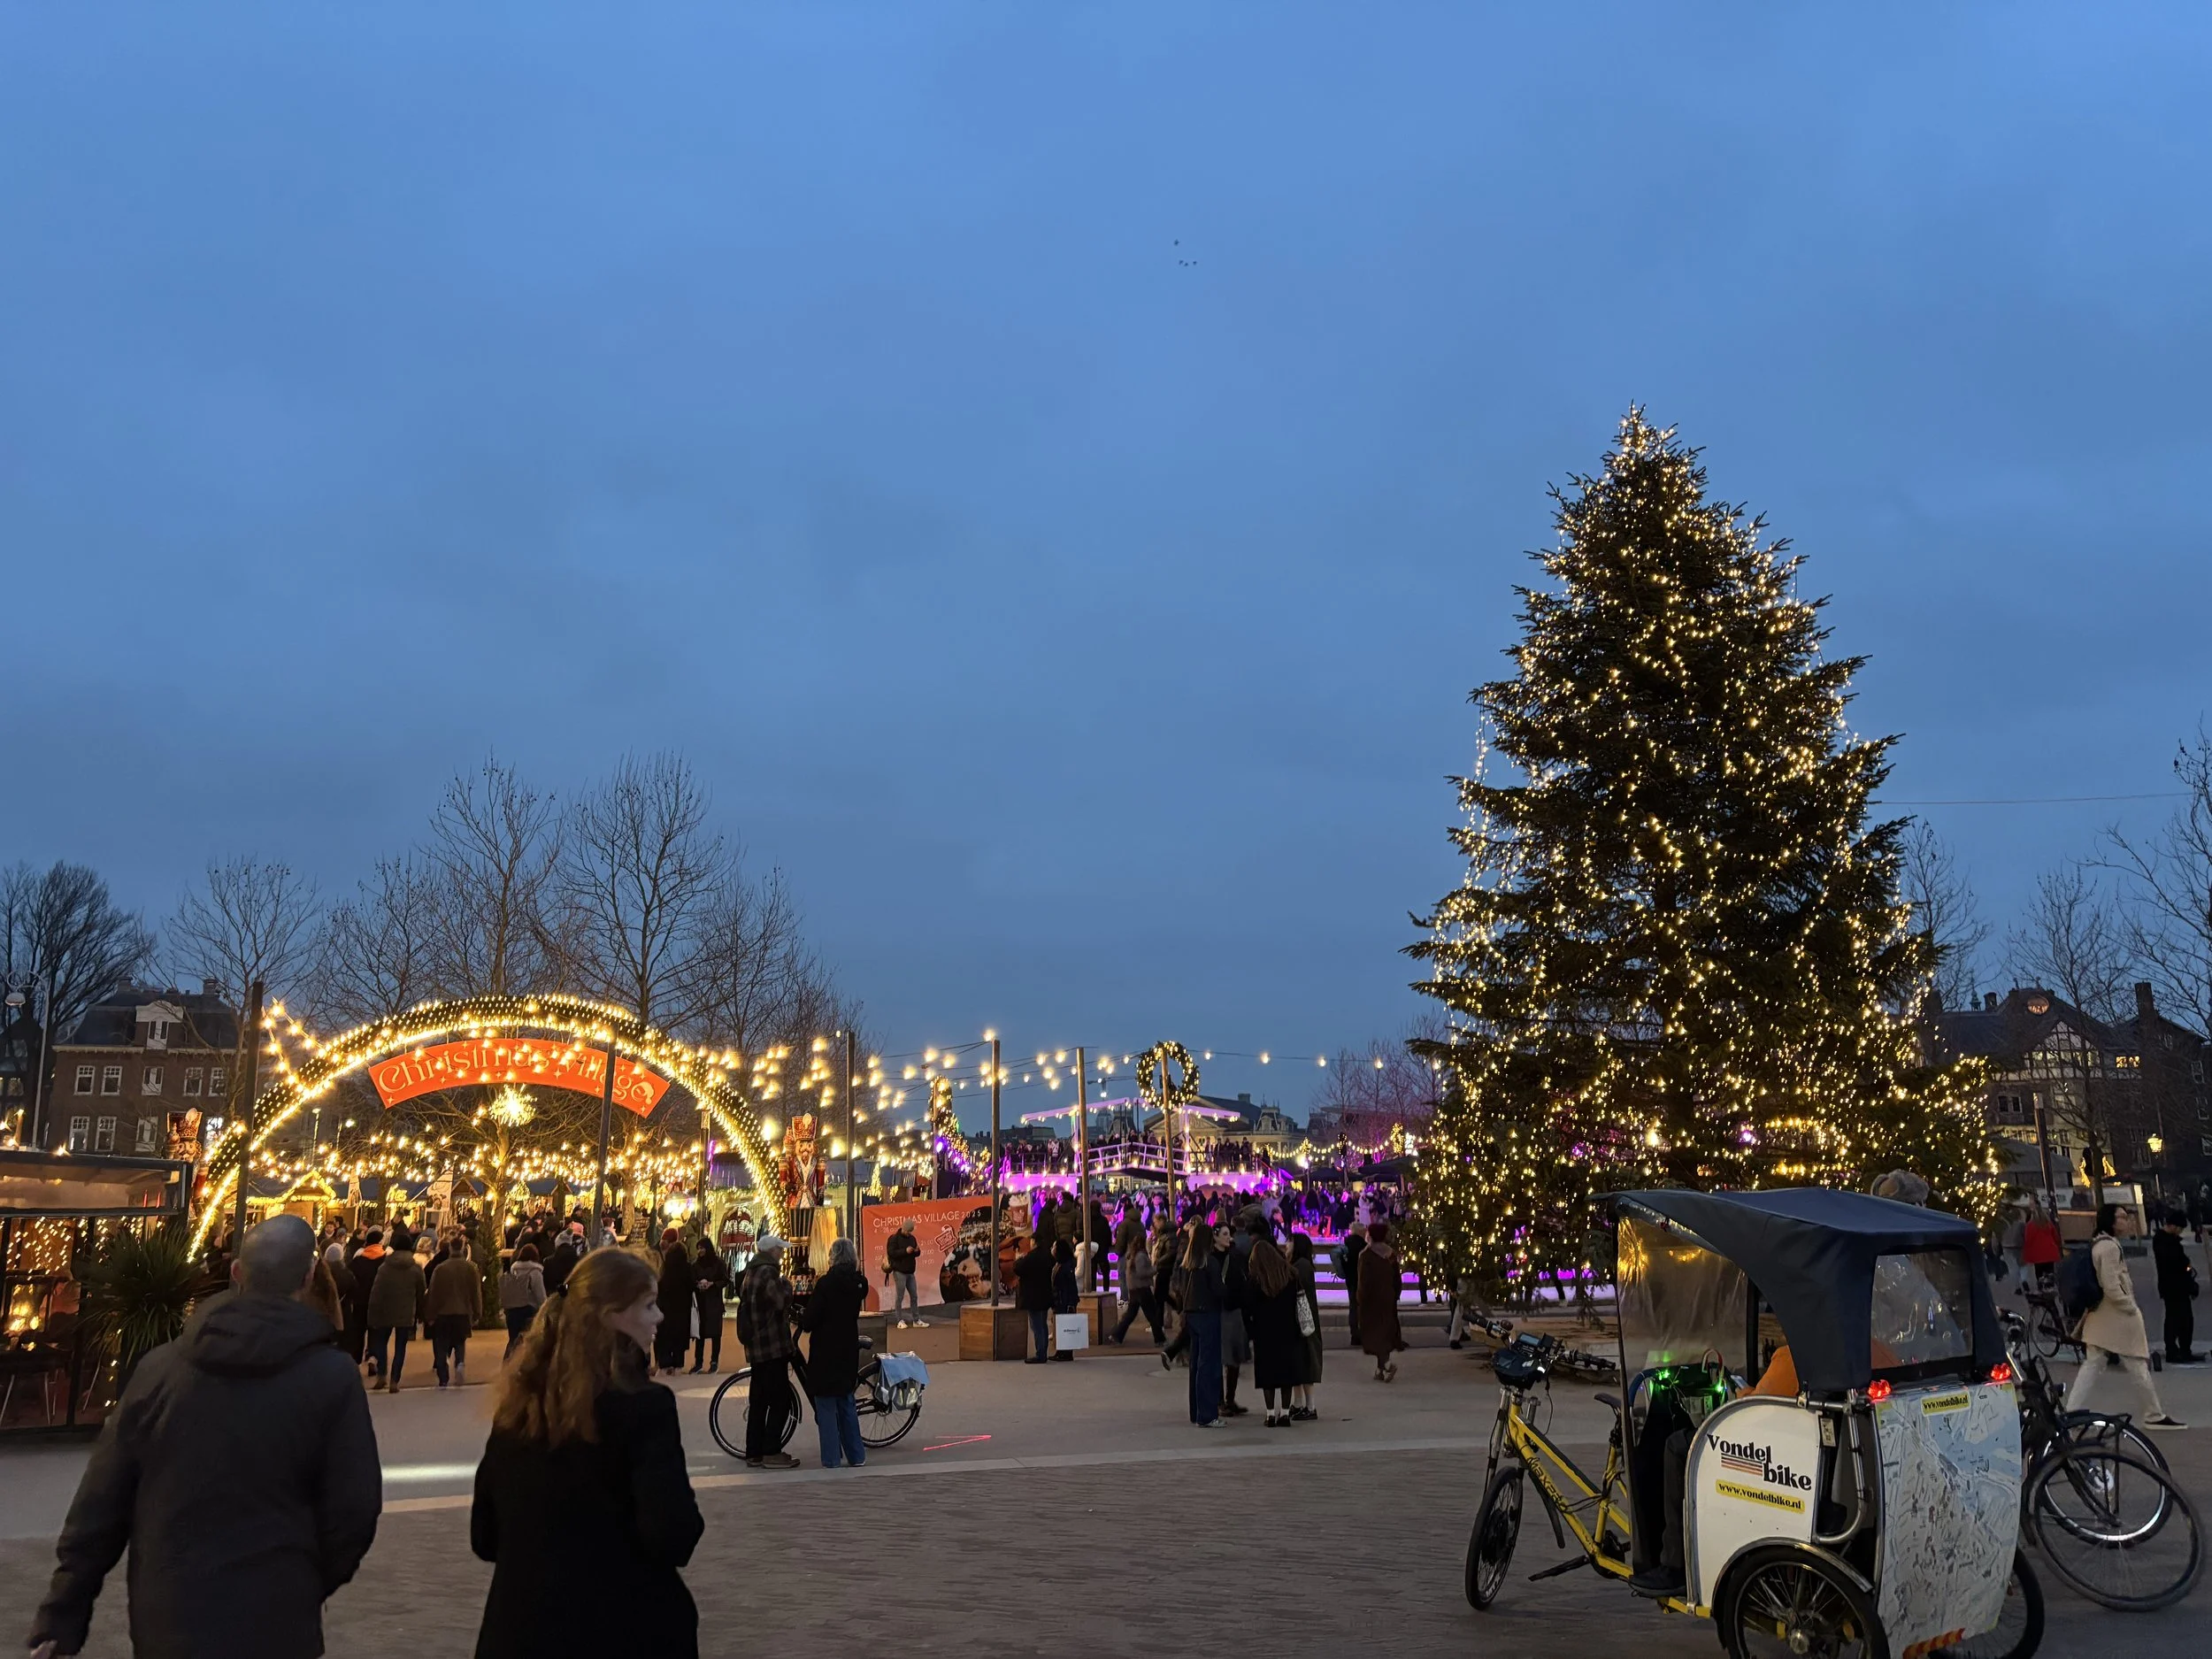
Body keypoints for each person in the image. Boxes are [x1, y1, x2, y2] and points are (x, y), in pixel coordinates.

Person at [27, 1215, 380, 1659]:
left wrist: (64, 1611)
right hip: (276, 1618)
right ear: (309, 1276)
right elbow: (354, 1509)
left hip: (169, 1611)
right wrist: (304, 1578)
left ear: (236, 1271)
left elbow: (101, 1501)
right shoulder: (331, 1378)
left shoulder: (160, 1369)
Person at [469, 1245, 704, 1659]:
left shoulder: (519, 1407)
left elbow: (485, 1536)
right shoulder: (643, 1407)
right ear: (610, 1314)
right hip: (623, 1628)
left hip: (521, 1628)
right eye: (649, 1305)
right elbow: (673, 1534)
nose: (660, 1317)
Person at [2065, 1204, 2185, 1428]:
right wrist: (2129, 1306)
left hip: (2101, 1315)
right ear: (2111, 1221)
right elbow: (2111, 1283)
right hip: (2117, 1315)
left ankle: (2071, 1412)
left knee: (2094, 1364)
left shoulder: (2099, 1243)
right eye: (2122, 1217)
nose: (2127, 1220)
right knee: (2136, 1363)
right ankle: (2154, 1415)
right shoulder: (2109, 1247)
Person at [735, 1234, 802, 1469]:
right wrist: (787, 1285)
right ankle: (771, 1451)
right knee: (780, 1400)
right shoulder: (768, 1273)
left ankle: (753, 1452)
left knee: (759, 1401)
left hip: (756, 1347)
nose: (782, 1254)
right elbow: (781, 1301)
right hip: (771, 1346)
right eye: (780, 1250)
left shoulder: (751, 1272)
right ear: (772, 1251)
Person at [803, 1237, 868, 1469]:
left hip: (825, 1350)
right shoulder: (860, 1284)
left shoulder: (825, 1284)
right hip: (847, 1347)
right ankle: (857, 1455)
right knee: (846, 1400)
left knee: (826, 1404)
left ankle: (831, 1458)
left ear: (833, 1256)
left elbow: (810, 1320)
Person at [1243, 1216, 1301, 1426]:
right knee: (1286, 1372)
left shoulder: (1256, 1281)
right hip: (1287, 1329)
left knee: (1267, 1373)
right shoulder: (1289, 1276)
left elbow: (1247, 1307)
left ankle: (1270, 1414)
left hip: (1263, 1331)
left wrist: (1250, 1330)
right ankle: (1285, 1413)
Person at [365, 1227, 428, 1392]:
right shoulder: (415, 1268)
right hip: (406, 1311)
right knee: (401, 1346)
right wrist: (422, 1312)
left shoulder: (385, 1267)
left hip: (385, 1309)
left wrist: (372, 1312)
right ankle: (394, 1380)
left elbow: (376, 1291)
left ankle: (382, 1375)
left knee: (381, 1342)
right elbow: (422, 1292)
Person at [1177, 1219, 1225, 1428]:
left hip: (1191, 1314)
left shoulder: (1188, 1263)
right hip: (1207, 1315)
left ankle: (1196, 1411)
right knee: (1208, 1365)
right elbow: (1218, 1290)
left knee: (1196, 1364)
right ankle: (1207, 1414)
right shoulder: (1209, 1262)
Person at [426, 1234, 483, 1389]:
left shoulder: (441, 1269)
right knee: (459, 1341)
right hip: (463, 1311)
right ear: (463, 1249)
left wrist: (430, 1314)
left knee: (441, 1342)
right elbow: (475, 1293)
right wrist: (477, 1312)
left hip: (443, 1312)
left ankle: (443, 1373)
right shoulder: (471, 1268)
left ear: (450, 1248)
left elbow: (433, 1293)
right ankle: (460, 1363)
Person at [2150, 1210, 2202, 1365]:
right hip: (2173, 1287)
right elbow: (2175, 1265)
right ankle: (2175, 1351)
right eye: (2179, 1228)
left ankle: (2183, 1350)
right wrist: (2186, 1271)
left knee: (2182, 1319)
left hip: (2176, 1286)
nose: (2180, 1231)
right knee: (2176, 1320)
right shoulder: (2165, 1242)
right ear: (2172, 1225)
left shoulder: (2168, 1241)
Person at [1357, 1219, 1405, 1381]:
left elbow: (1364, 1281)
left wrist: (1360, 1298)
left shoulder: (1366, 1255)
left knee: (1374, 1333)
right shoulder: (1390, 1254)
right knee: (1385, 1332)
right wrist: (1395, 1293)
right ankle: (1380, 1368)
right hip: (1388, 1297)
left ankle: (1387, 1365)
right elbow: (1397, 1278)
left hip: (1371, 1300)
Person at [1109, 1215, 1164, 1345]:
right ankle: (1160, 1339)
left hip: (1134, 1288)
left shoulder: (1131, 1255)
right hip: (1142, 1288)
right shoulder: (1140, 1256)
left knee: (1130, 1315)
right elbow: (1142, 1272)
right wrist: (1155, 1269)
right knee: (1152, 1314)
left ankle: (1117, 1335)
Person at [1288, 1232, 1324, 1421]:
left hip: (1303, 1320)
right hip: (1303, 1319)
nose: (1287, 1245)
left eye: (1290, 1242)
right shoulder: (1301, 1265)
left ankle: (1309, 1405)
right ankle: (1299, 1403)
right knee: (1298, 1363)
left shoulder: (1300, 1266)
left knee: (1305, 1362)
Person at [345, 1228, 386, 1373]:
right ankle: (372, 1358)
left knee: (358, 1331)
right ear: (380, 1242)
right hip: (378, 1301)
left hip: (359, 1301)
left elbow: (349, 1278)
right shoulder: (385, 1259)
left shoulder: (359, 1259)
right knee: (375, 1331)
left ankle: (356, 1361)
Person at [655, 1232, 693, 1375]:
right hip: (683, 1309)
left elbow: (660, 1286)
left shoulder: (665, 1269)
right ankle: (678, 1364)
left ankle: (665, 1364)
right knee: (679, 1337)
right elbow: (691, 1286)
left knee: (665, 1336)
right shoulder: (687, 1268)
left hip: (666, 1308)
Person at [690, 1236, 730, 1373]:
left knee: (715, 1334)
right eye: (698, 1248)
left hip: (714, 1303)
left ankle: (714, 1362)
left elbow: (725, 1280)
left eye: (702, 1248)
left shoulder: (719, 1263)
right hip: (701, 1304)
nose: (700, 1251)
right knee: (700, 1334)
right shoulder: (696, 1265)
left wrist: (712, 1284)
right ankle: (698, 1362)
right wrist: (698, 1284)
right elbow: (691, 1280)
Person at [1016, 1231, 1056, 1363]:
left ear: (1033, 1242)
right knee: (1042, 1325)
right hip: (1045, 1295)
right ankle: (1043, 1352)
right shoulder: (1048, 1256)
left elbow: (1018, 1269)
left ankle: (1040, 1354)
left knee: (1036, 1326)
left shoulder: (1031, 1257)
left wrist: (1018, 1259)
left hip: (1032, 1296)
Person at [500, 1243, 548, 1357]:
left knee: (513, 1340)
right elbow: (540, 1295)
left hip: (511, 1310)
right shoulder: (535, 1273)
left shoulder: (512, 1271)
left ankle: (508, 1366)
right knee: (528, 1341)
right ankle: (523, 1366)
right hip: (528, 1310)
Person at [886, 1217, 924, 1327]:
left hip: (910, 1271)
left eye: (910, 1231)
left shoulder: (912, 1238)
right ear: (903, 1228)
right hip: (899, 1271)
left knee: (914, 1296)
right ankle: (899, 1320)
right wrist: (905, 1251)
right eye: (907, 1231)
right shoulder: (894, 1238)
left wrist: (917, 1251)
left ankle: (916, 1320)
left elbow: (916, 1253)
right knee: (900, 1296)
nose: (909, 1233)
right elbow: (891, 1253)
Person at [1337, 1224, 1368, 1351]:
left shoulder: (1346, 1245)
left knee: (1353, 1305)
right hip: (1362, 1279)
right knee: (1362, 1306)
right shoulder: (1363, 1246)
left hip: (1350, 1279)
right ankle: (1363, 1333)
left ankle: (1354, 1333)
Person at [2020, 1203, 2062, 1293]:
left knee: (2039, 1272)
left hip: (2037, 1254)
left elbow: (2028, 1240)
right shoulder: (2048, 1224)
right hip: (2050, 1252)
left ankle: (2041, 1288)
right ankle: (2050, 1287)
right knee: (2049, 1271)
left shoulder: (2030, 1226)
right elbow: (2056, 1237)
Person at [1050, 1238, 1080, 1361]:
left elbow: (1070, 1286)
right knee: (1060, 1326)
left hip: (1064, 1301)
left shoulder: (1066, 1266)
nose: (1052, 1249)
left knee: (1066, 1326)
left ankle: (1066, 1352)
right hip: (1059, 1300)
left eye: (1054, 1247)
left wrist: (1071, 1303)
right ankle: (1061, 1351)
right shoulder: (1059, 1264)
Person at [542, 1224, 581, 1295]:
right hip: (573, 1298)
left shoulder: (548, 1262)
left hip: (554, 1297)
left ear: (557, 1244)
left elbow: (546, 1285)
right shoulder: (578, 1261)